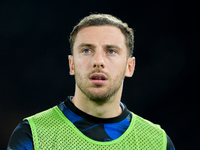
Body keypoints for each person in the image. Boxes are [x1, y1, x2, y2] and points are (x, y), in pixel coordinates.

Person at [7, 14, 175, 150]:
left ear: (129, 67)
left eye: (111, 51)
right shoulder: (32, 135)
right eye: (87, 50)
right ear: (71, 64)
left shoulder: (157, 142)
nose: (98, 61)